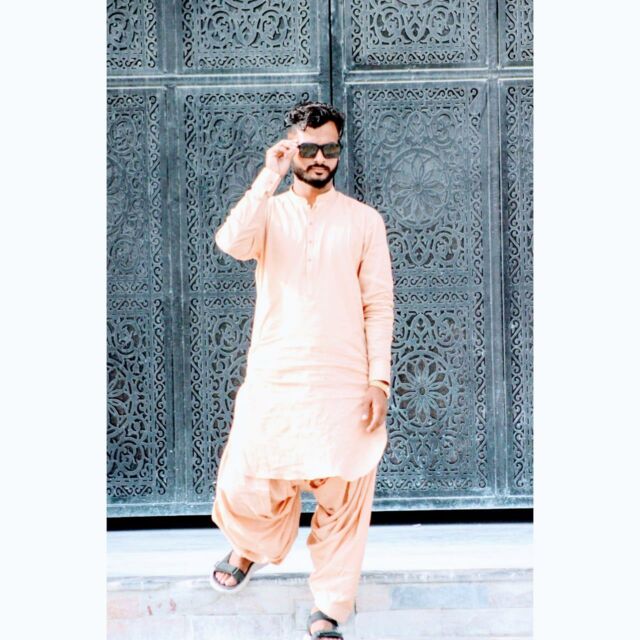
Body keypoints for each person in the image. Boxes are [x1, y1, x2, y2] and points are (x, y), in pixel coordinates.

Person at [209, 101, 394, 640]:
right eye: (308, 148)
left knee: (345, 493)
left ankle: (329, 606)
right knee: (249, 476)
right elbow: (230, 242)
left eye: (329, 148)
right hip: (277, 371)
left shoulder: (363, 220)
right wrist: (268, 175)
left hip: (342, 378)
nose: (319, 159)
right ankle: (251, 547)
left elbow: (378, 304)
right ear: (291, 149)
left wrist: (379, 380)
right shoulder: (268, 213)